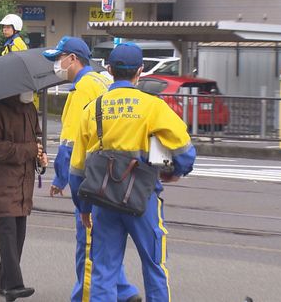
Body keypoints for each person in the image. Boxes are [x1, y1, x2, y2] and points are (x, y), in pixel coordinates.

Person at [69, 43, 196, 301]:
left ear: (109, 70)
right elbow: (185, 151)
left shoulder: (93, 109)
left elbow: (77, 168)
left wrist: (83, 207)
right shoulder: (153, 106)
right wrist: (176, 171)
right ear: (140, 71)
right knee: (154, 265)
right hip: (143, 197)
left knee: (104, 270)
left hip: (102, 200)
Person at [43, 36, 142, 302]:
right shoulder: (99, 80)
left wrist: (63, 178)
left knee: (88, 245)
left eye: (58, 59)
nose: (57, 65)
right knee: (106, 244)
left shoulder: (83, 89)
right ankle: (123, 290)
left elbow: (70, 144)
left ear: (72, 59)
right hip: (114, 173)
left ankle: (86, 297)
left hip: (91, 177)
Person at [0, 93, 48, 302]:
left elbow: (35, 141)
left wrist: (40, 156)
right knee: (9, 234)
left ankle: (4, 281)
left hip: (23, 183)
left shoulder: (29, 110)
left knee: (18, 235)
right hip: (2, 182)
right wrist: (29, 150)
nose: (32, 93)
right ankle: (13, 285)